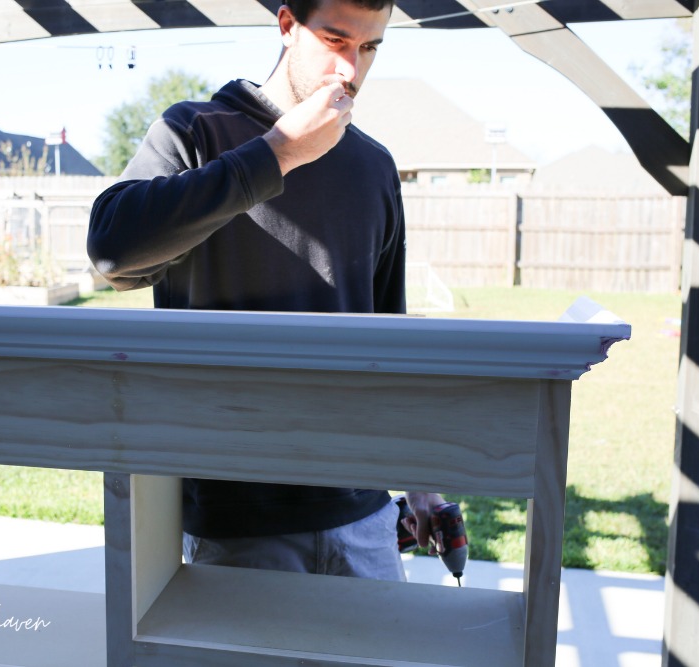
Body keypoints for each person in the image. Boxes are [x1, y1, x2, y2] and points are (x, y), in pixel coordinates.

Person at [88, 0, 446, 581]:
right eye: (335, 40)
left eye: (370, 47)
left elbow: (390, 338)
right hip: (236, 522)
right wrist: (279, 152)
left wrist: (424, 481)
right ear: (286, 26)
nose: (351, 69)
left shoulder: (374, 165)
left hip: (364, 515)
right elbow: (113, 251)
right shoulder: (194, 131)